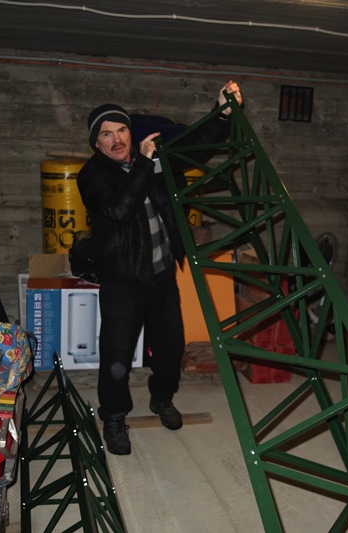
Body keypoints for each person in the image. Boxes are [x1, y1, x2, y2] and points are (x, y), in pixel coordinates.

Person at [77, 81, 243, 455]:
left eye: (121, 130)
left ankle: (162, 399)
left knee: (170, 349)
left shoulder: (152, 159)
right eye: (107, 134)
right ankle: (114, 417)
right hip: (122, 280)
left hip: (162, 276)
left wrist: (222, 113)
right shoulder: (93, 175)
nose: (117, 139)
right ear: (97, 143)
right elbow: (120, 209)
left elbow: (196, 145)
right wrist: (142, 164)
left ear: (129, 132)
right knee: (117, 357)